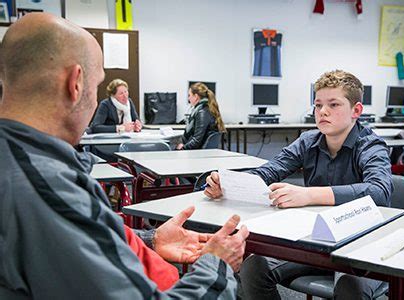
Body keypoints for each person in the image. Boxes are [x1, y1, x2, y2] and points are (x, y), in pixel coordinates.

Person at [0, 12, 249, 299]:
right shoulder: (47, 188)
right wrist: (217, 265)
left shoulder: (21, 167)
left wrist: (149, 240)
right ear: (76, 83)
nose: (94, 99)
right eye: (95, 86)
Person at [204, 70, 393, 299]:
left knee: (349, 287)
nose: (323, 111)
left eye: (334, 104)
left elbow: (379, 191)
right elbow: (271, 170)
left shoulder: (371, 145)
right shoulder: (308, 140)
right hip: (316, 241)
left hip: (361, 244)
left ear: (356, 110)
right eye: (318, 105)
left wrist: (309, 195)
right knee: (254, 267)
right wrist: (229, 184)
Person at [176, 82, 226, 150]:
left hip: (198, 153)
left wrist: (182, 148)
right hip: (201, 152)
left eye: (189, 95)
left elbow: (196, 141)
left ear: (196, 96)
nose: (188, 98)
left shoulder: (202, 111)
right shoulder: (205, 108)